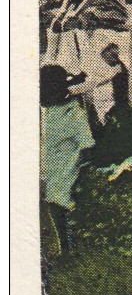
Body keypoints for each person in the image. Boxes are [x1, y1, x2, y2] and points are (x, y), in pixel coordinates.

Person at [41, 63, 94, 258]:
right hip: (56, 168)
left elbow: (87, 144)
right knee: (56, 207)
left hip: (69, 168)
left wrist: (83, 169)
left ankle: (71, 248)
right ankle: (67, 248)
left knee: (64, 208)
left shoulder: (72, 111)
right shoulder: (51, 111)